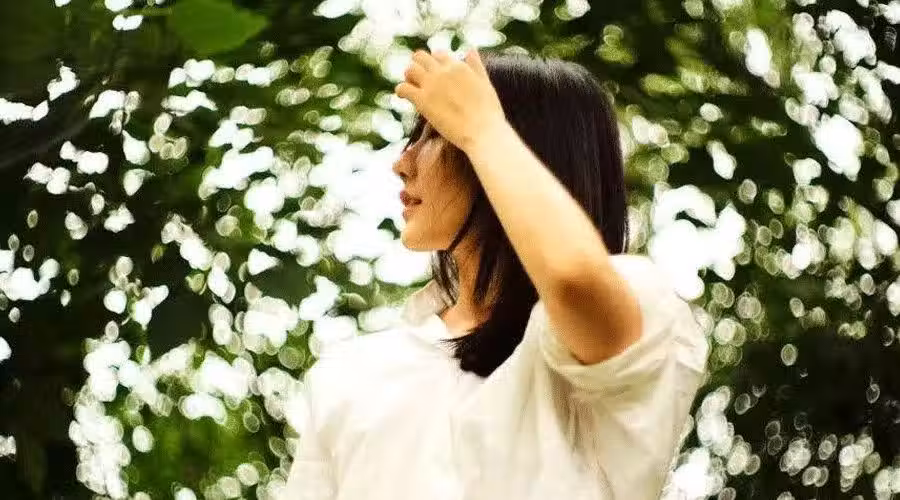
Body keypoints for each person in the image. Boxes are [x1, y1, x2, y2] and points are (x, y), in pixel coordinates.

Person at [281, 49, 710, 500]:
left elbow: (573, 277)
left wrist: (482, 129)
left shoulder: (638, 310)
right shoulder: (351, 373)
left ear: (531, 152)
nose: (403, 163)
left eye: (437, 132)